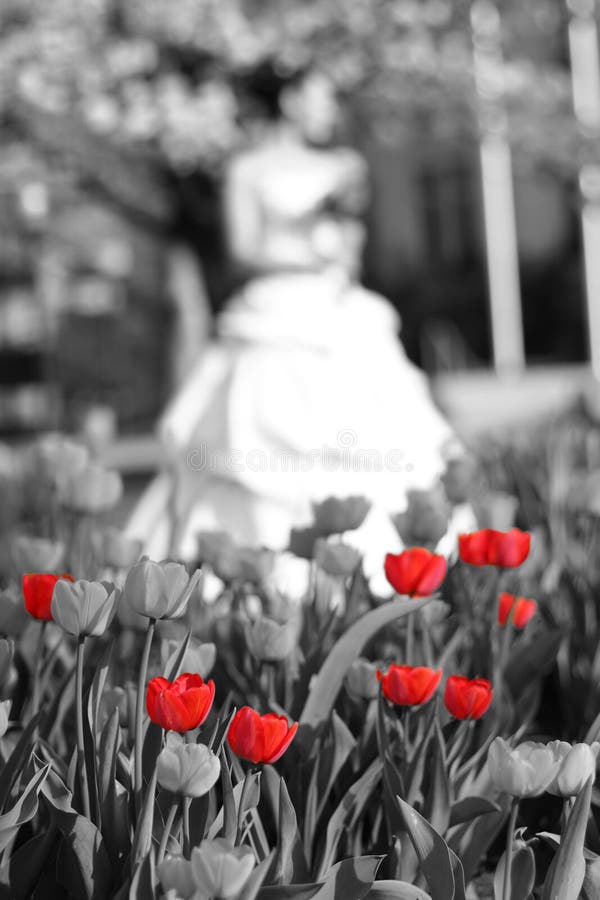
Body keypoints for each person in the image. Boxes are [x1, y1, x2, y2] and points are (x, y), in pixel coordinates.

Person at [126, 68, 465, 575]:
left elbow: (354, 242)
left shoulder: (345, 164)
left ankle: (397, 566)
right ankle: (244, 564)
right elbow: (240, 251)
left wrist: (339, 256)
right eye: (319, 98)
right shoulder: (246, 169)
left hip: (337, 309)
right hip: (272, 310)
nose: (328, 111)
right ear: (289, 100)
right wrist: (304, 253)